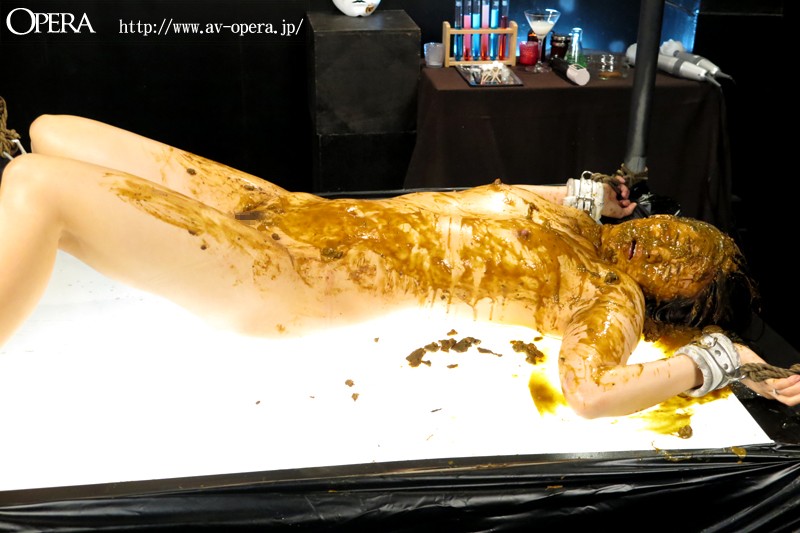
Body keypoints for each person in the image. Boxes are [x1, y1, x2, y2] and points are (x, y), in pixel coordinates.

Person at [1, 112, 798, 419]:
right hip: (287, 210)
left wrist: (718, 361)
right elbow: (494, 197)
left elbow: (591, 393)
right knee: (51, 133)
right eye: (678, 229)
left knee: (38, 186)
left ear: (677, 301)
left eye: (684, 259)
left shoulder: (607, 296)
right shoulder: (578, 229)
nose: (665, 240)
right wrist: (582, 194)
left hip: (283, 273)